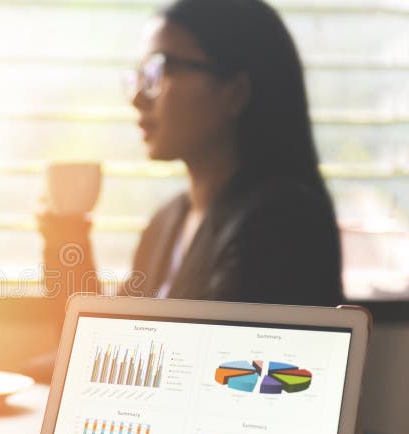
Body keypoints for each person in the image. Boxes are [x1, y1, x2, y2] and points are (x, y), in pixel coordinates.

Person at [39, 0, 343, 312]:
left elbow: (218, 356)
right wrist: (66, 240)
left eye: (160, 70)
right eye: (141, 76)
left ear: (235, 92)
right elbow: (106, 346)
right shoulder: (168, 221)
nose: (137, 96)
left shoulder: (281, 224)